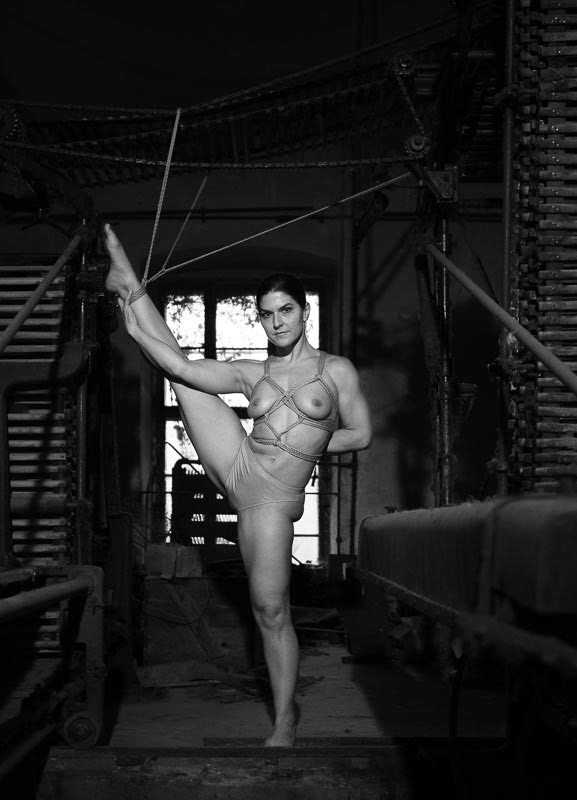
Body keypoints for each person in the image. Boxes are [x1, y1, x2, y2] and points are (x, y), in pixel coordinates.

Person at [102, 223, 372, 747]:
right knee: (182, 378)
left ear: (304, 312)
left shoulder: (336, 371)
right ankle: (128, 283)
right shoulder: (252, 373)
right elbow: (182, 366)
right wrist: (135, 332)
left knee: (270, 609)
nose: (277, 322)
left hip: (272, 499)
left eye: (286, 310)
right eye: (267, 314)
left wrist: (308, 448)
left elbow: (360, 434)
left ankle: (285, 720)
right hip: (239, 462)